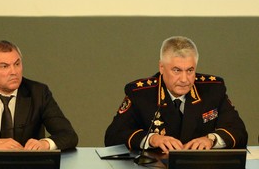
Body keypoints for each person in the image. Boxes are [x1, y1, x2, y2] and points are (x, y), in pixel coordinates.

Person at [104, 36, 247, 153]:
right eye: (177, 70)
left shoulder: (213, 89)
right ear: (161, 67)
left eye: (190, 70)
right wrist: (152, 139)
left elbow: (239, 132)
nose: (185, 79)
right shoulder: (140, 94)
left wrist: (212, 139)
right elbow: (113, 137)